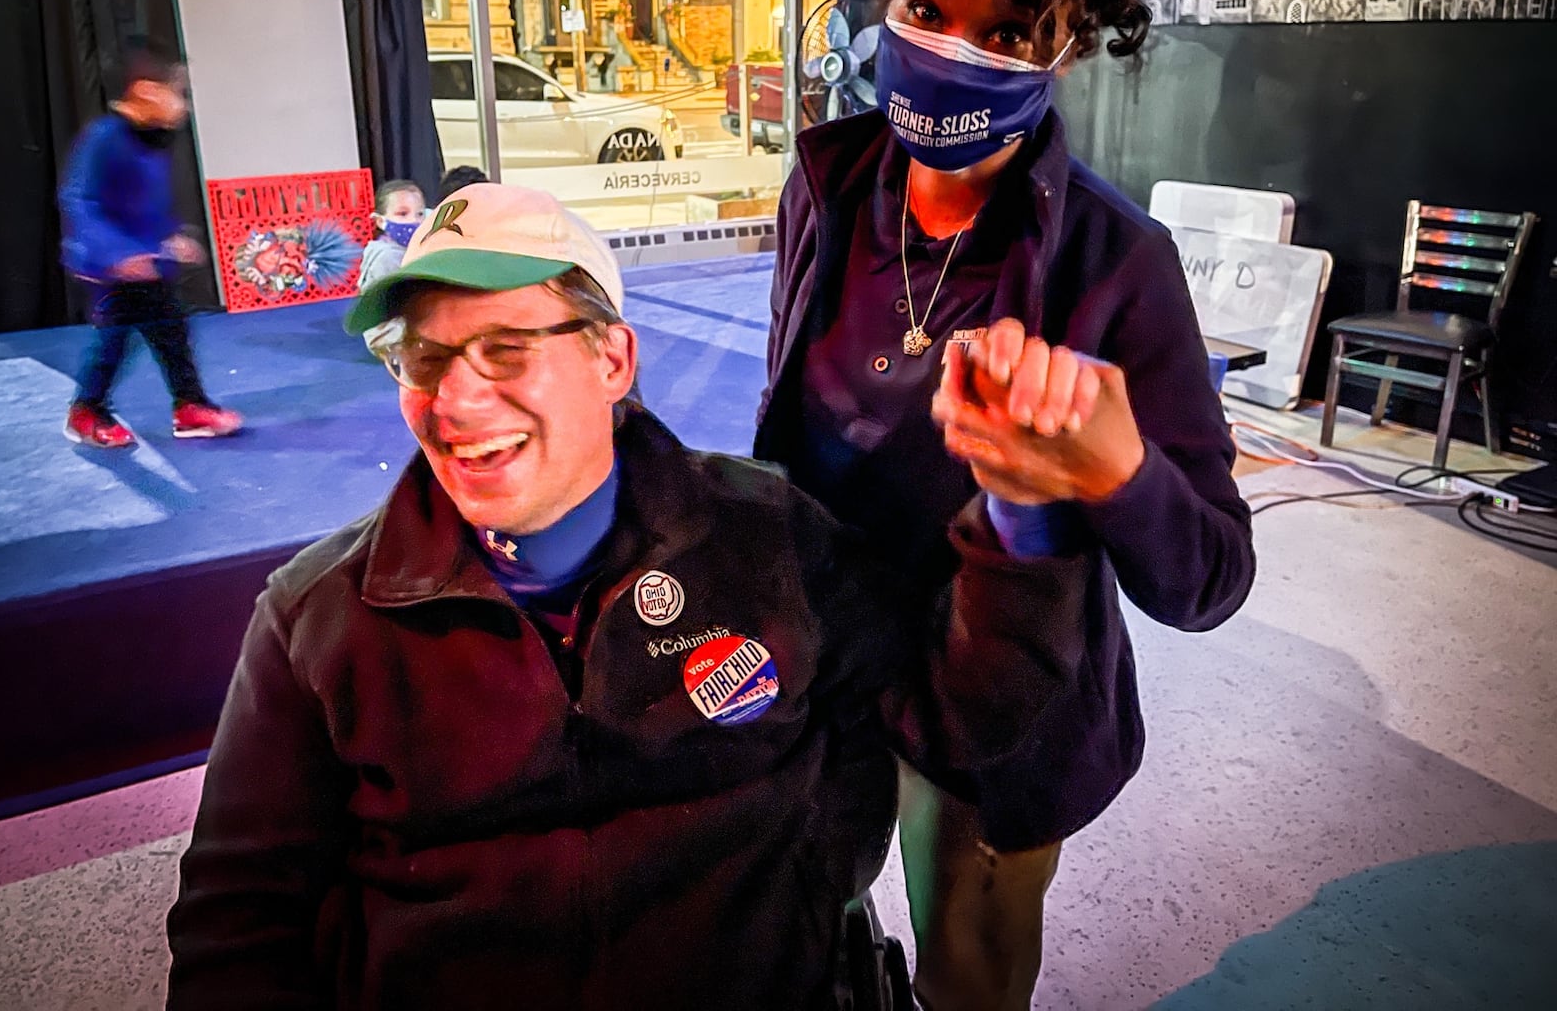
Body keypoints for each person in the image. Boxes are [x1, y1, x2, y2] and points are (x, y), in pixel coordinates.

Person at [166, 182, 1106, 1010]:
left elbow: (961, 719)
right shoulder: (318, 619)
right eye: (423, 359)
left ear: (611, 360)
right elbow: (239, 928)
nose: (452, 401)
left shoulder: (769, 540)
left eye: (503, 350)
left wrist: (1024, 517)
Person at [753, 0, 1257, 1007]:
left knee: (968, 969)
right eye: (928, 8)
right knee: (794, 915)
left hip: (998, 675)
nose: (951, 49)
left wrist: (1114, 470)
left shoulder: (1116, 262)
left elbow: (1209, 580)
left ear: (1069, 44)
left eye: (1008, 32)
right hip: (822, 636)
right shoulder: (826, 181)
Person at [60, 39, 242, 448]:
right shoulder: (104, 139)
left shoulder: (152, 142)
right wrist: (116, 253)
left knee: (172, 333)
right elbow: (80, 201)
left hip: (148, 265)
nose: (183, 105)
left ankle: (190, 405)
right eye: (178, 93)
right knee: (112, 342)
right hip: (110, 270)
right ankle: (86, 411)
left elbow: (150, 206)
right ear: (145, 91)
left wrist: (171, 238)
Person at [356, 179, 427, 292]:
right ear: (380, 221)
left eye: (420, 213)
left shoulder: (417, 247)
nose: (414, 220)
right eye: (403, 213)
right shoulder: (388, 257)